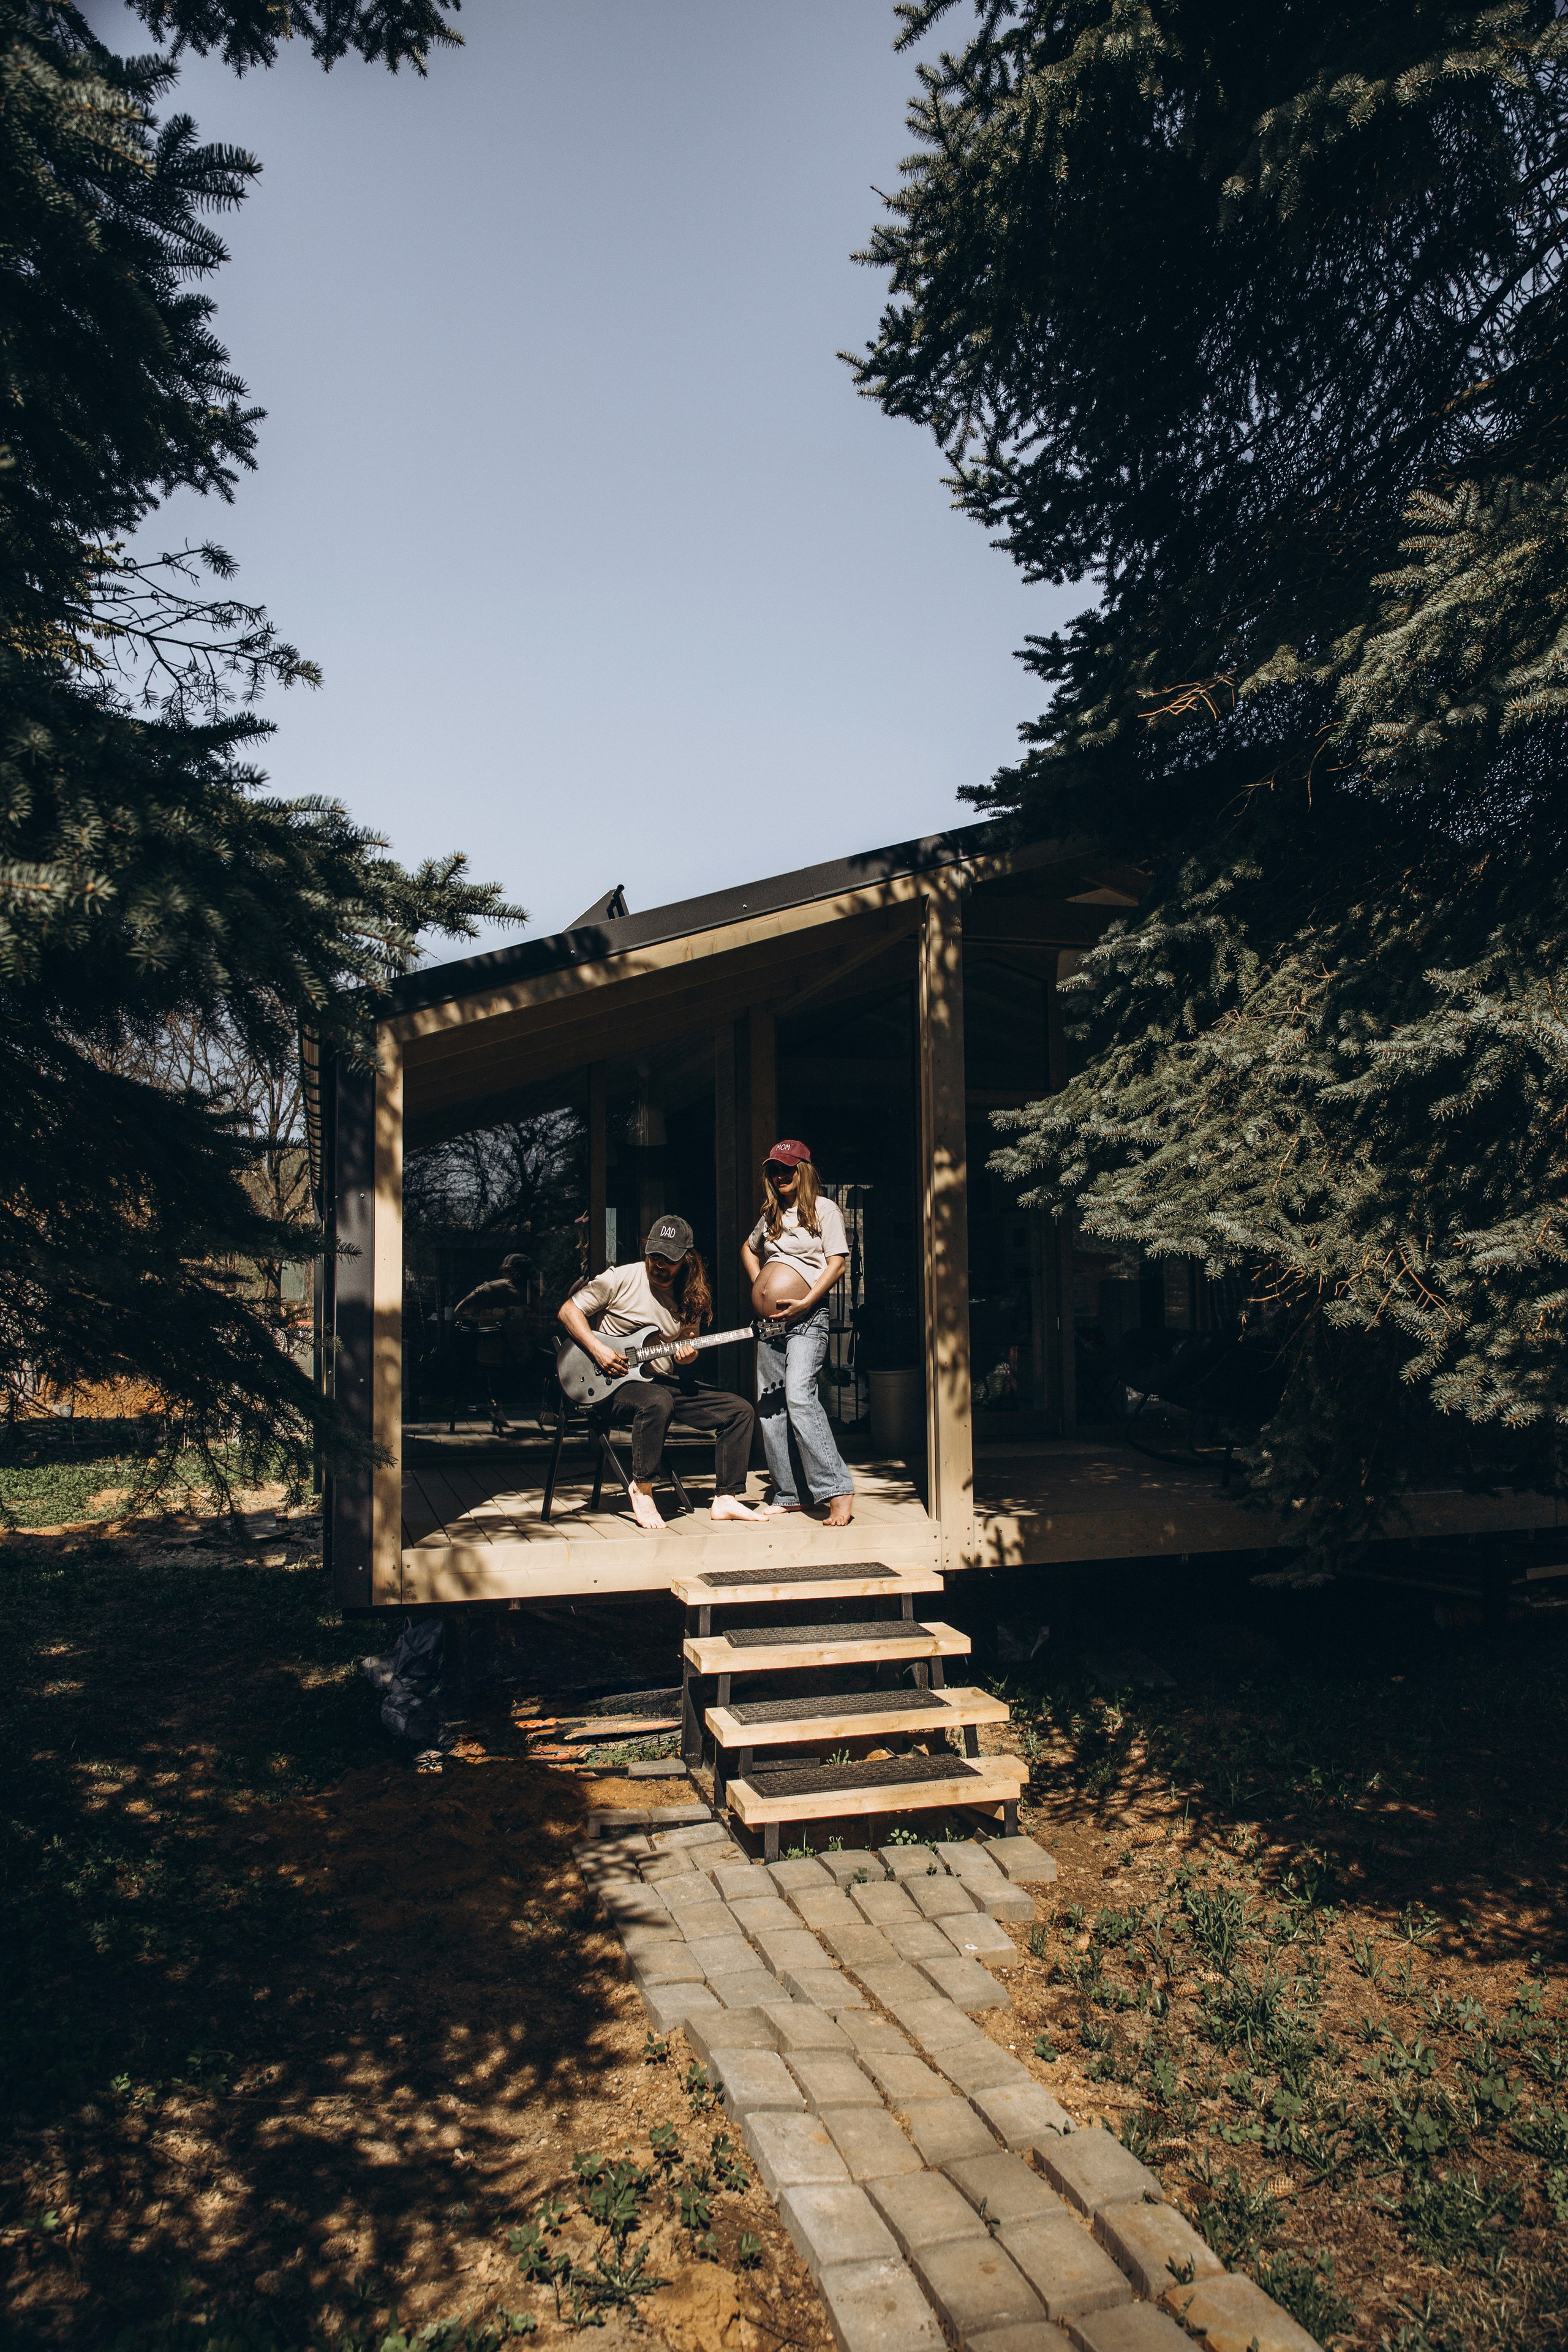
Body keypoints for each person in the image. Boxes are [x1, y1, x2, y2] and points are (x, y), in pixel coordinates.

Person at [557, 1213, 763, 1533]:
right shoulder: (620, 1278)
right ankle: (641, 1487)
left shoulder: (690, 1298)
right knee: (656, 1401)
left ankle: (726, 1497)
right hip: (610, 1382)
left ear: (685, 1260)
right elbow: (568, 1311)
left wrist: (688, 1352)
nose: (659, 1264)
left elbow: (684, 1354)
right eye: (654, 1255)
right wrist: (599, 1350)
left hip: (658, 1381)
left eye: (668, 1259)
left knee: (739, 1411)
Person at [741, 1140, 854, 1526]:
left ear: (804, 1169)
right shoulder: (772, 1214)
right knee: (770, 1409)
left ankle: (837, 1489)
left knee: (800, 1398)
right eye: (774, 1169)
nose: (781, 1175)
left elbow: (837, 1264)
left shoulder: (825, 1210)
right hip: (770, 1326)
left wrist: (805, 1301)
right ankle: (791, 1492)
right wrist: (761, 1286)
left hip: (806, 1320)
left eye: (788, 1168)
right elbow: (748, 1248)